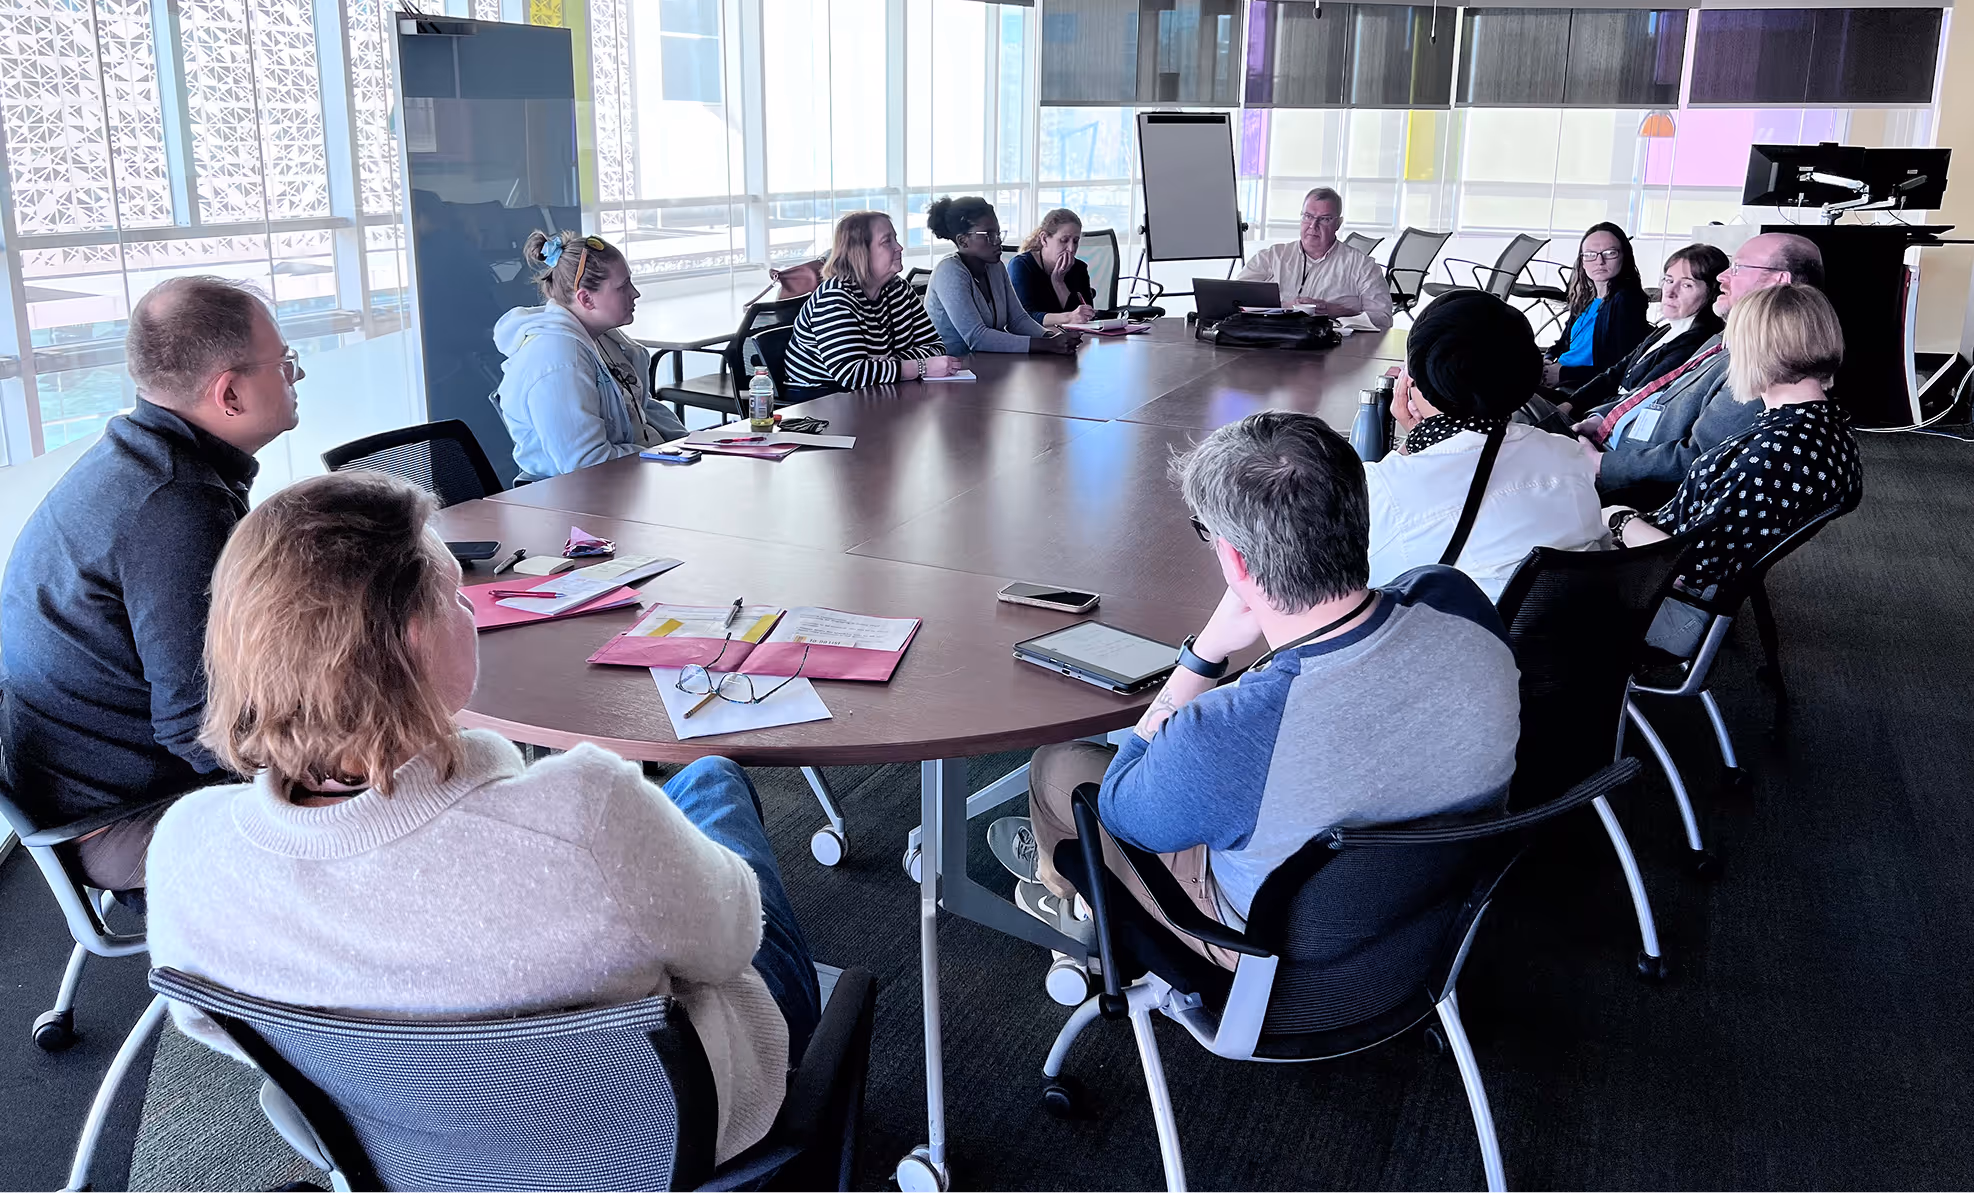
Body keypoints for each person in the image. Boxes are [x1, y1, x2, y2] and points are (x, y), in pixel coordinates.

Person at [144, 471, 820, 1165]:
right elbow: (734, 940)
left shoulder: (187, 855)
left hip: (399, 1151)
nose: (471, 612)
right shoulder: (586, 816)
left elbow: (216, 1024)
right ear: (413, 639)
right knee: (714, 783)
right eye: (456, 597)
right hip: (660, 1137)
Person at [985, 412, 1519, 971]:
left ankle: (1065, 899)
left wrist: (1204, 655)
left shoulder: (1230, 729)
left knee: (1059, 768)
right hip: (1437, 911)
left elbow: (1120, 807)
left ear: (1234, 559)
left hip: (1277, 955)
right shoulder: (1456, 599)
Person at [0, 277, 301, 894]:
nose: (296, 378)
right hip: (119, 818)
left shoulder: (136, 458)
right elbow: (199, 723)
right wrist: (325, 777)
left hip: (85, 784)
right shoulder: (175, 504)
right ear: (229, 394)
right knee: (386, 809)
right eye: (284, 364)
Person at [1603, 284, 1861, 593]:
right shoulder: (1828, 426)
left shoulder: (1773, 453)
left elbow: (1687, 568)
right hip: (1654, 566)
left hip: (1657, 595)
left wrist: (1618, 520)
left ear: (1753, 352)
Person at [1369, 291, 1604, 603]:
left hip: (1463, 644)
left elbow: (1365, 580)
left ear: (1413, 380)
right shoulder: (1566, 455)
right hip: (1571, 646)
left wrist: (1408, 449)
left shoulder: (1387, 487)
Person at [1579, 232, 1825, 509]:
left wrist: (1602, 463)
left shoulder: (1763, 367)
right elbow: (1657, 391)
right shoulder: (1723, 341)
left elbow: (1699, 457)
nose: (1723, 277)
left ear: (1779, 281)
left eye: (1738, 268)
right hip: (1607, 444)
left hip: (1626, 486)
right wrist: (1604, 419)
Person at [492, 230, 686, 482]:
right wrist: (660, 456)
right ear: (586, 299)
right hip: (572, 502)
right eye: (623, 286)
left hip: (631, 480)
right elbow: (586, 465)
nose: (635, 293)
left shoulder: (605, 339)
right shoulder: (559, 359)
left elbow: (641, 409)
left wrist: (691, 446)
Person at [783, 210, 962, 398]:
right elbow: (852, 374)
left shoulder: (899, 288)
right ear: (860, 252)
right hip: (820, 399)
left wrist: (887, 364)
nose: (899, 247)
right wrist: (920, 366)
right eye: (887, 241)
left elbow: (936, 347)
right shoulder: (835, 297)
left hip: (877, 391)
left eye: (896, 239)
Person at [1561, 243, 1728, 416]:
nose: (1670, 292)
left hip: (1614, 423)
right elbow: (1615, 372)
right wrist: (1571, 403)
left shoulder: (1695, 343)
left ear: (1712, 293)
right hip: (1604, 408)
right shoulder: (1665, 330)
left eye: (1687, 285)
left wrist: (1579, 412)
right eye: (1669, 280)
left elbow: (1641, 396)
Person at [924, 196, 1079, 355]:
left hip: (988, 365)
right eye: (989, 235)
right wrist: (1049, 345)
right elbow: (977, 338)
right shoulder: (949, 271)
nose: (998, 241)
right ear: (963, 241)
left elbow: (1018, 320)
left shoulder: (995, 267)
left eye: (998, 233)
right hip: (950, 371)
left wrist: (1051, 336)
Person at [1235, 187, 1394, 332]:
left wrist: (1336, 312)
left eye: (1324, 219)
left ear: (1338, 223)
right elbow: (1235, 301)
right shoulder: (1270, 257)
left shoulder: (1362, 266)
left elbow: (1383, 319)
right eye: (1308, 216)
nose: (1313, 225)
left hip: (1335, 350)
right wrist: (1284, 308)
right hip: (1272, 342)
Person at [1542, 223, 1650, 391]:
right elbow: (1564, 343)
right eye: (1591, 254)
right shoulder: (1586, 297)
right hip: (1557, 377)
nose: (1600, 261)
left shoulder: (1626, 301)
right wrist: (1547, 359)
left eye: (1610, 253)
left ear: (1624, 256)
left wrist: (1563, 374)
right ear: (1582, 261)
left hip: (1579, 389)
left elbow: (1619, 369)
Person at [1007, 208, 1098, 327]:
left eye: (1075, 241)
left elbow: (1084, 317)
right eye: (1064, 240)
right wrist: (1068, 317)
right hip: (1038, 339)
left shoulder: (1079, 268)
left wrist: (1058, 282)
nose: (1071, 248)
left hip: (1074, 338)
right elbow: (1025, 317)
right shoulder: (1022, 266)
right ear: (1044, 239)